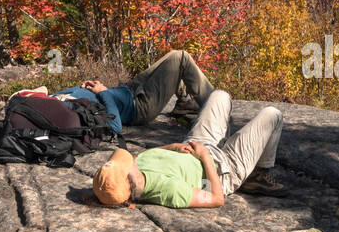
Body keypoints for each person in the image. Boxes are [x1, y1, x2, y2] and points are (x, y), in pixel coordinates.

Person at [92, 89, 285, 209]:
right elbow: (216, 198)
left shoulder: (137, 164)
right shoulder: (167, 191)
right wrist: (205, 158)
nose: (127, 159)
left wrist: (174, 147)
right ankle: (257, 176)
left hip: (196, 143)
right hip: (224, 169)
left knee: (220, 95)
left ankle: (230, 148)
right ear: (130, 179)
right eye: (123, 164)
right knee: (273, 115)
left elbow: (146, 155)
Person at [51, 49, 214, 135]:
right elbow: (115, 126)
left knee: (172, 57)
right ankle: (216, 108)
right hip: (139, 107)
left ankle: (185, 103)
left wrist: (84, 87)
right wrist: (102, 92)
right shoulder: (64, 112)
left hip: (130, 90)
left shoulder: (53, 99)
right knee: (181, 58)